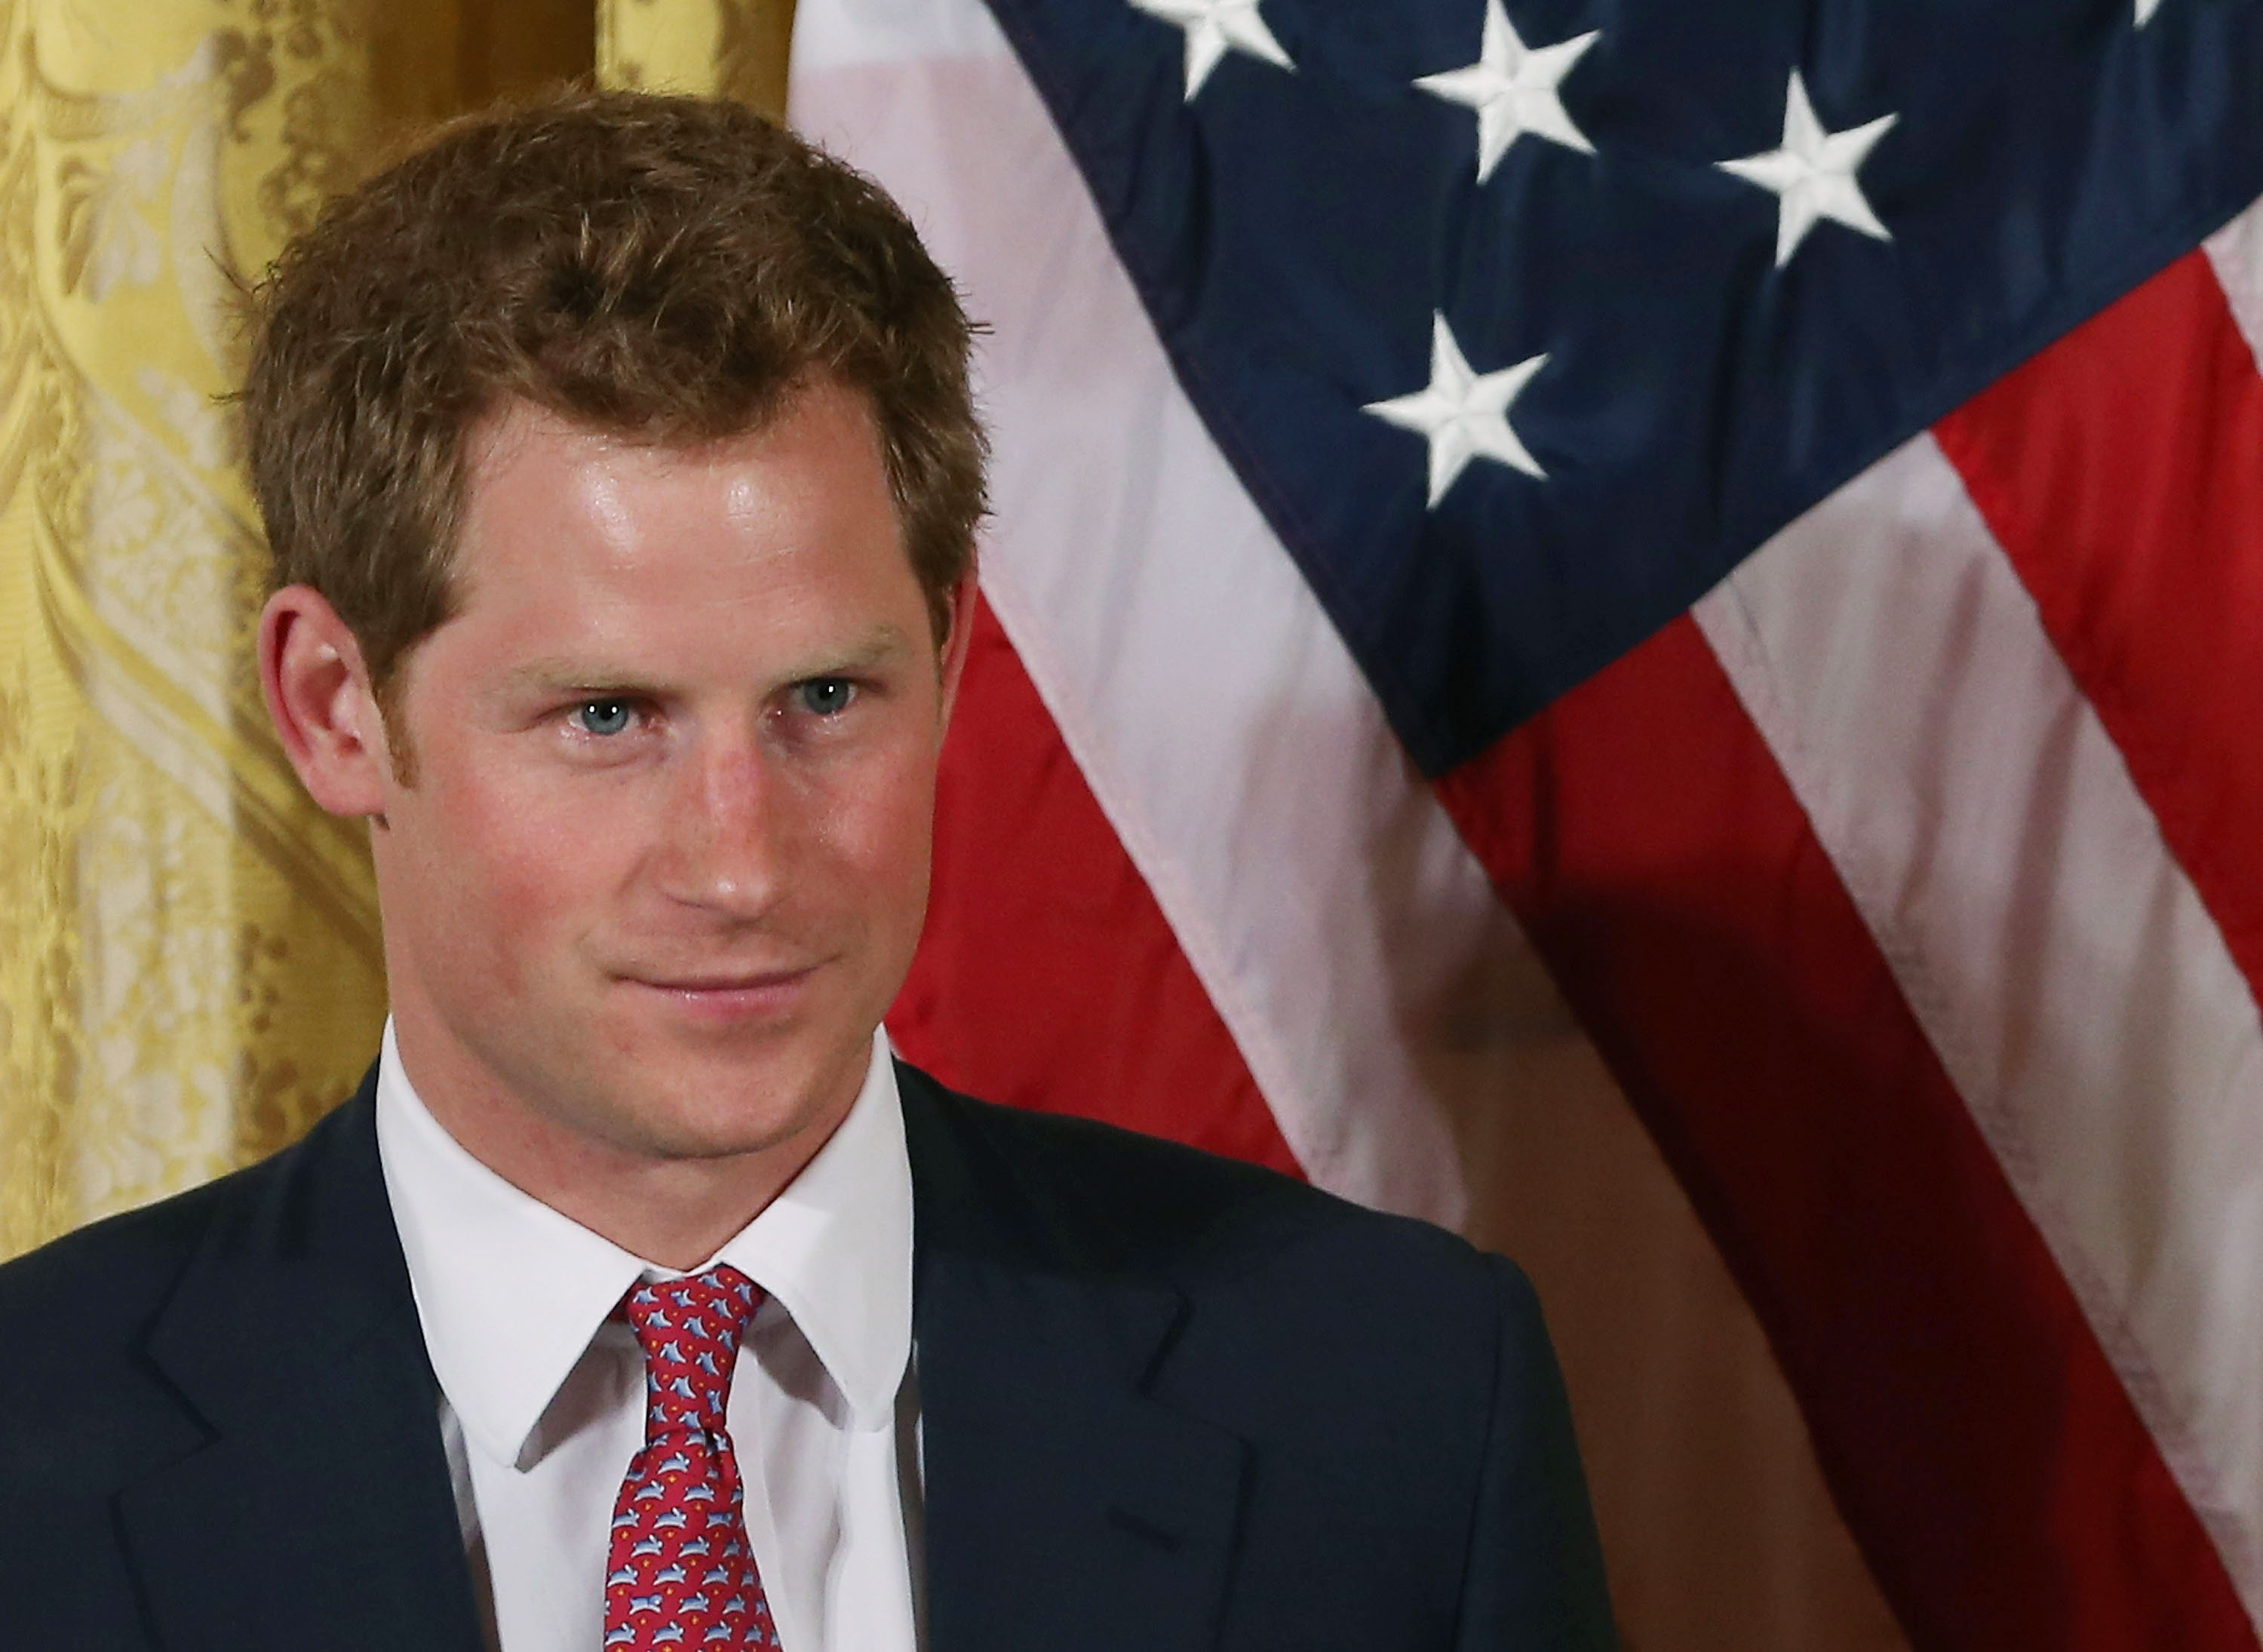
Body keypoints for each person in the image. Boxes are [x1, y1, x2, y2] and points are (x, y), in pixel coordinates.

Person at [0, 89, 1613, 1650]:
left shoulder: (1394, 1410)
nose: (742, 863)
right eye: (611, 715)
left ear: (952, 653)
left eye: (827, 700)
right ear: (337, 710)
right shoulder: (34, 1470)